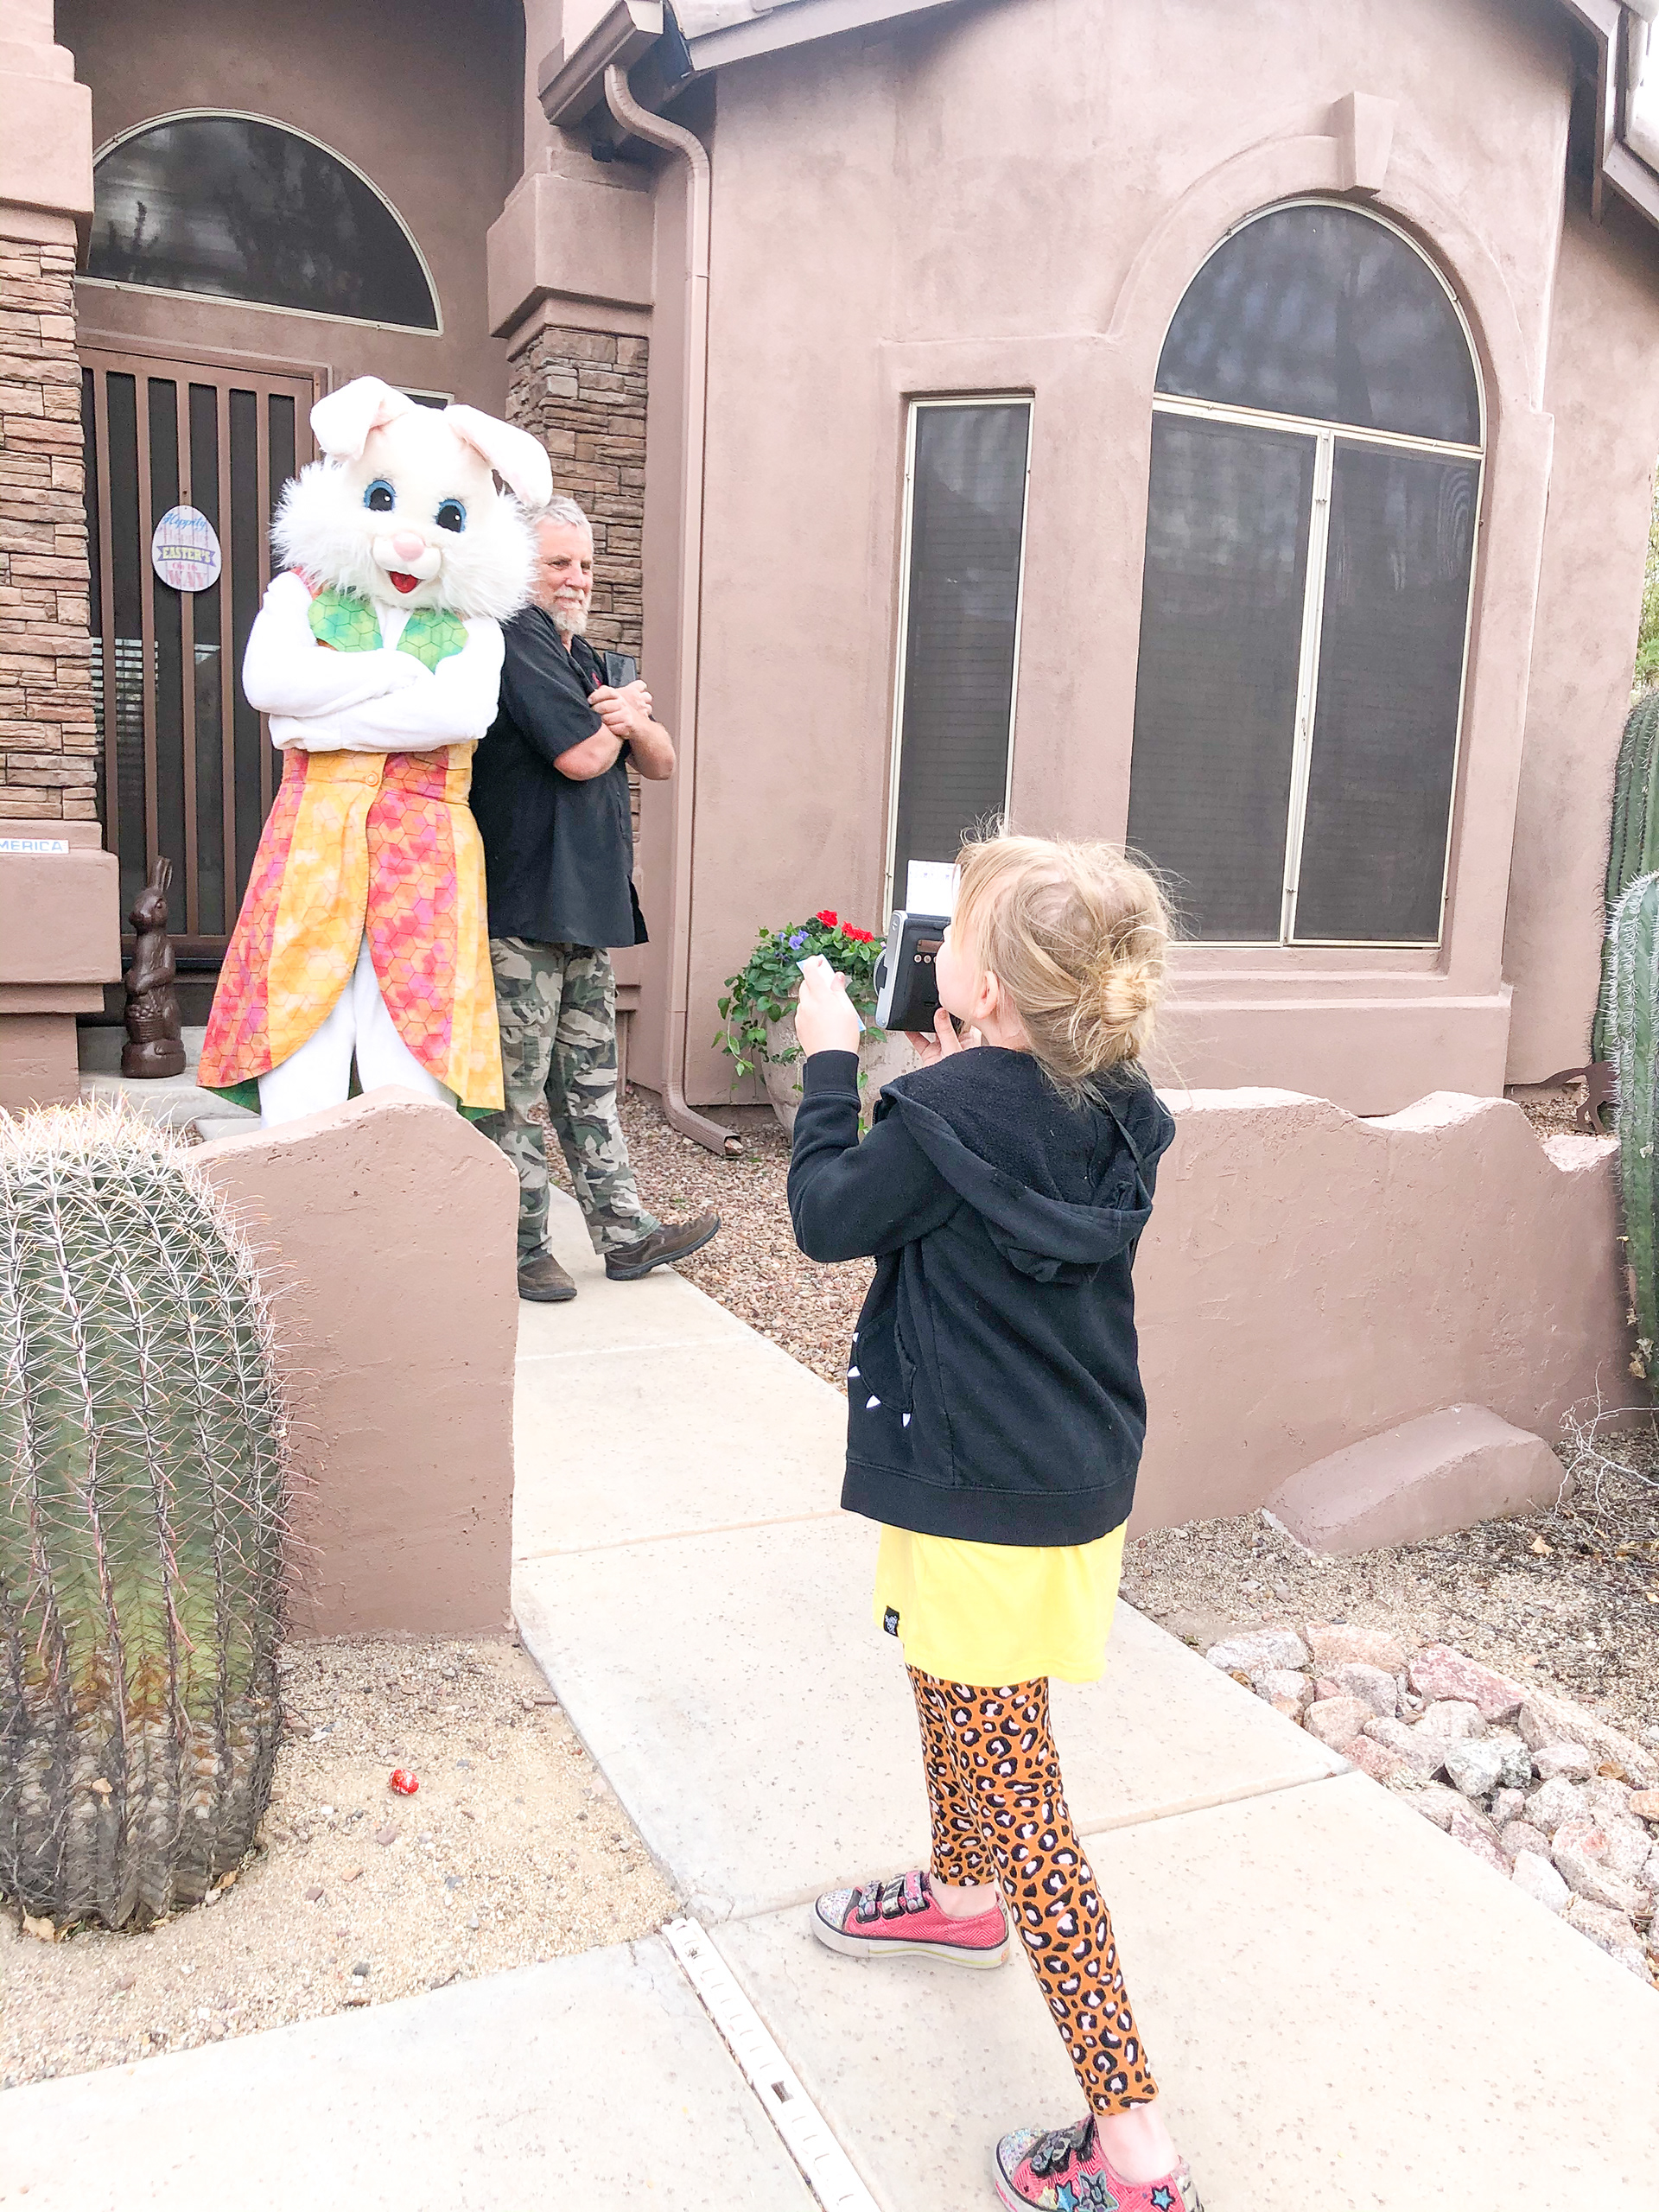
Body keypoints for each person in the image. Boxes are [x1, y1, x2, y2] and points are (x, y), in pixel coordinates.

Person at [787, 834, 1201, 2212]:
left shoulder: (940, 1118)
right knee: (957, 1690)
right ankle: (963, 1898)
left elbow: (825, 1215)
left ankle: (1135, 2151)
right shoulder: (1119, 1103)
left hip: (976, 1497)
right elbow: (1004, 1140)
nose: (935, 945)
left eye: (952, 931)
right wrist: (952, 1068)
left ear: (990, 991)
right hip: (1063, 1480)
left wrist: (832, 1064)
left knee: (1029, 1806)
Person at [469, 497, 719, 1301]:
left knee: (588, 1086)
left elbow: (663, 760)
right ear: (522, 568)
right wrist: (621, 722)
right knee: (513, 1095)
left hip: (587, 908)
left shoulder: (595, 660)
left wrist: (633, 719)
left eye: (583, 563)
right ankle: (519, 1249)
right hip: (521, 907)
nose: (575, 578)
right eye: (557, 563)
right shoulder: (514, 639)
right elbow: (580, 757)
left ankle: (625, 1236)